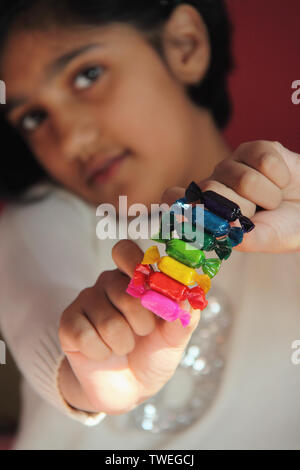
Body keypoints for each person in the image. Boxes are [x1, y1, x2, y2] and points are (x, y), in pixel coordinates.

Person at [0, 0, 299, 450]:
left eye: (87, 75)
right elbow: (37, 298)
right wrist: (83, 372)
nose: (73, 141)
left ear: (185, 44)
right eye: (34, 118)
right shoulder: (40, 222)